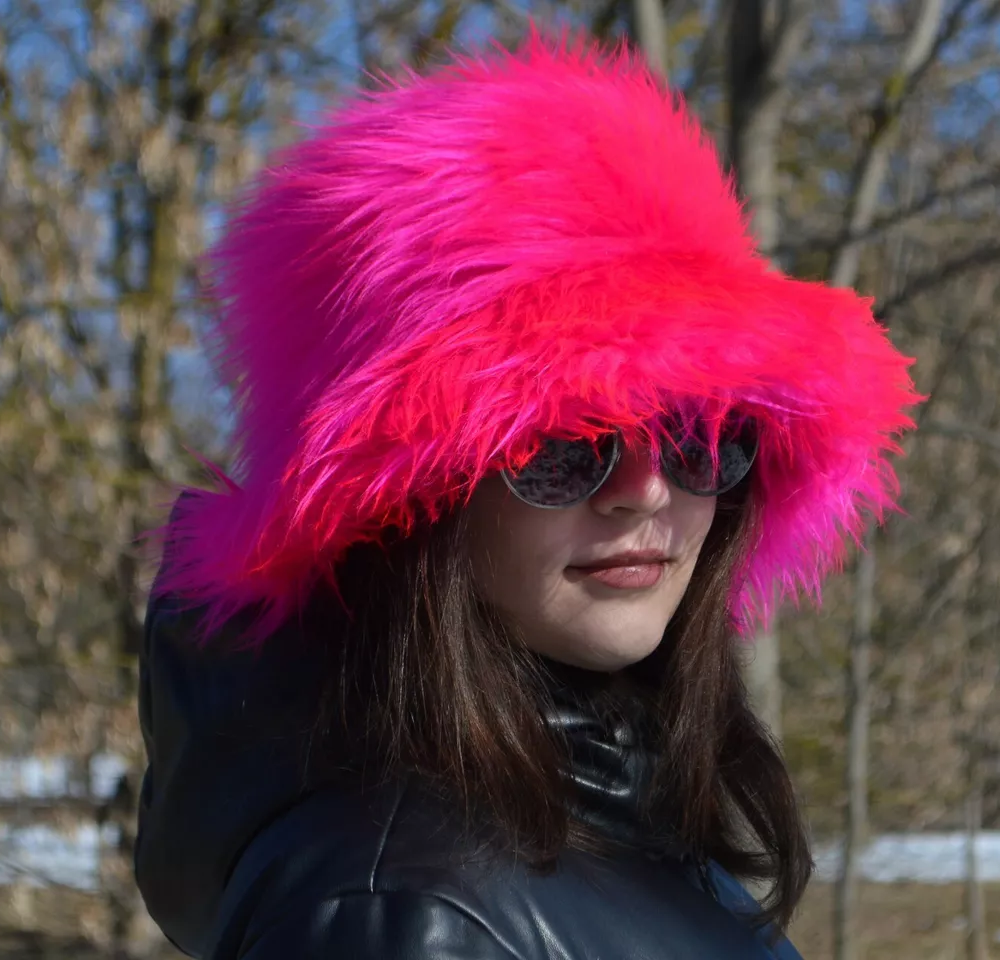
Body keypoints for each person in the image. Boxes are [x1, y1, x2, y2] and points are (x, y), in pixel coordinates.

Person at [133, 28, 920, 960]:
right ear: (401, 499)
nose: (644, 492)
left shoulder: (619, 819)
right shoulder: (402, 915)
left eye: (697, 432)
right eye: (560, 443)